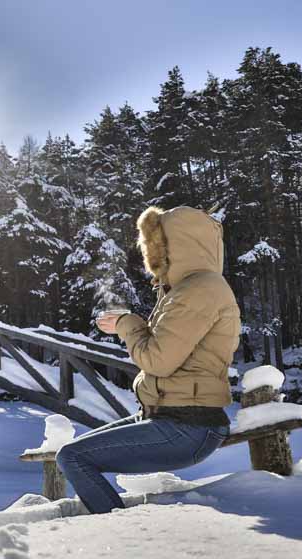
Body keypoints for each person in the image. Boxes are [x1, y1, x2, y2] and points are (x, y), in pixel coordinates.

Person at [55, 205, 241, 514]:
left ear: (177, 246)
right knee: (72, 453)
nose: (153, 258)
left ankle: (123, 535)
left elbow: (157, 361)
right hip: (171, 418)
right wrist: (128, 324)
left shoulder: (200, 290)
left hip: (189, 427)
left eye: (159, 248)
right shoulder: (187, 290)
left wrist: (126, 324)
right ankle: (117, 528)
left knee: (72, 457)